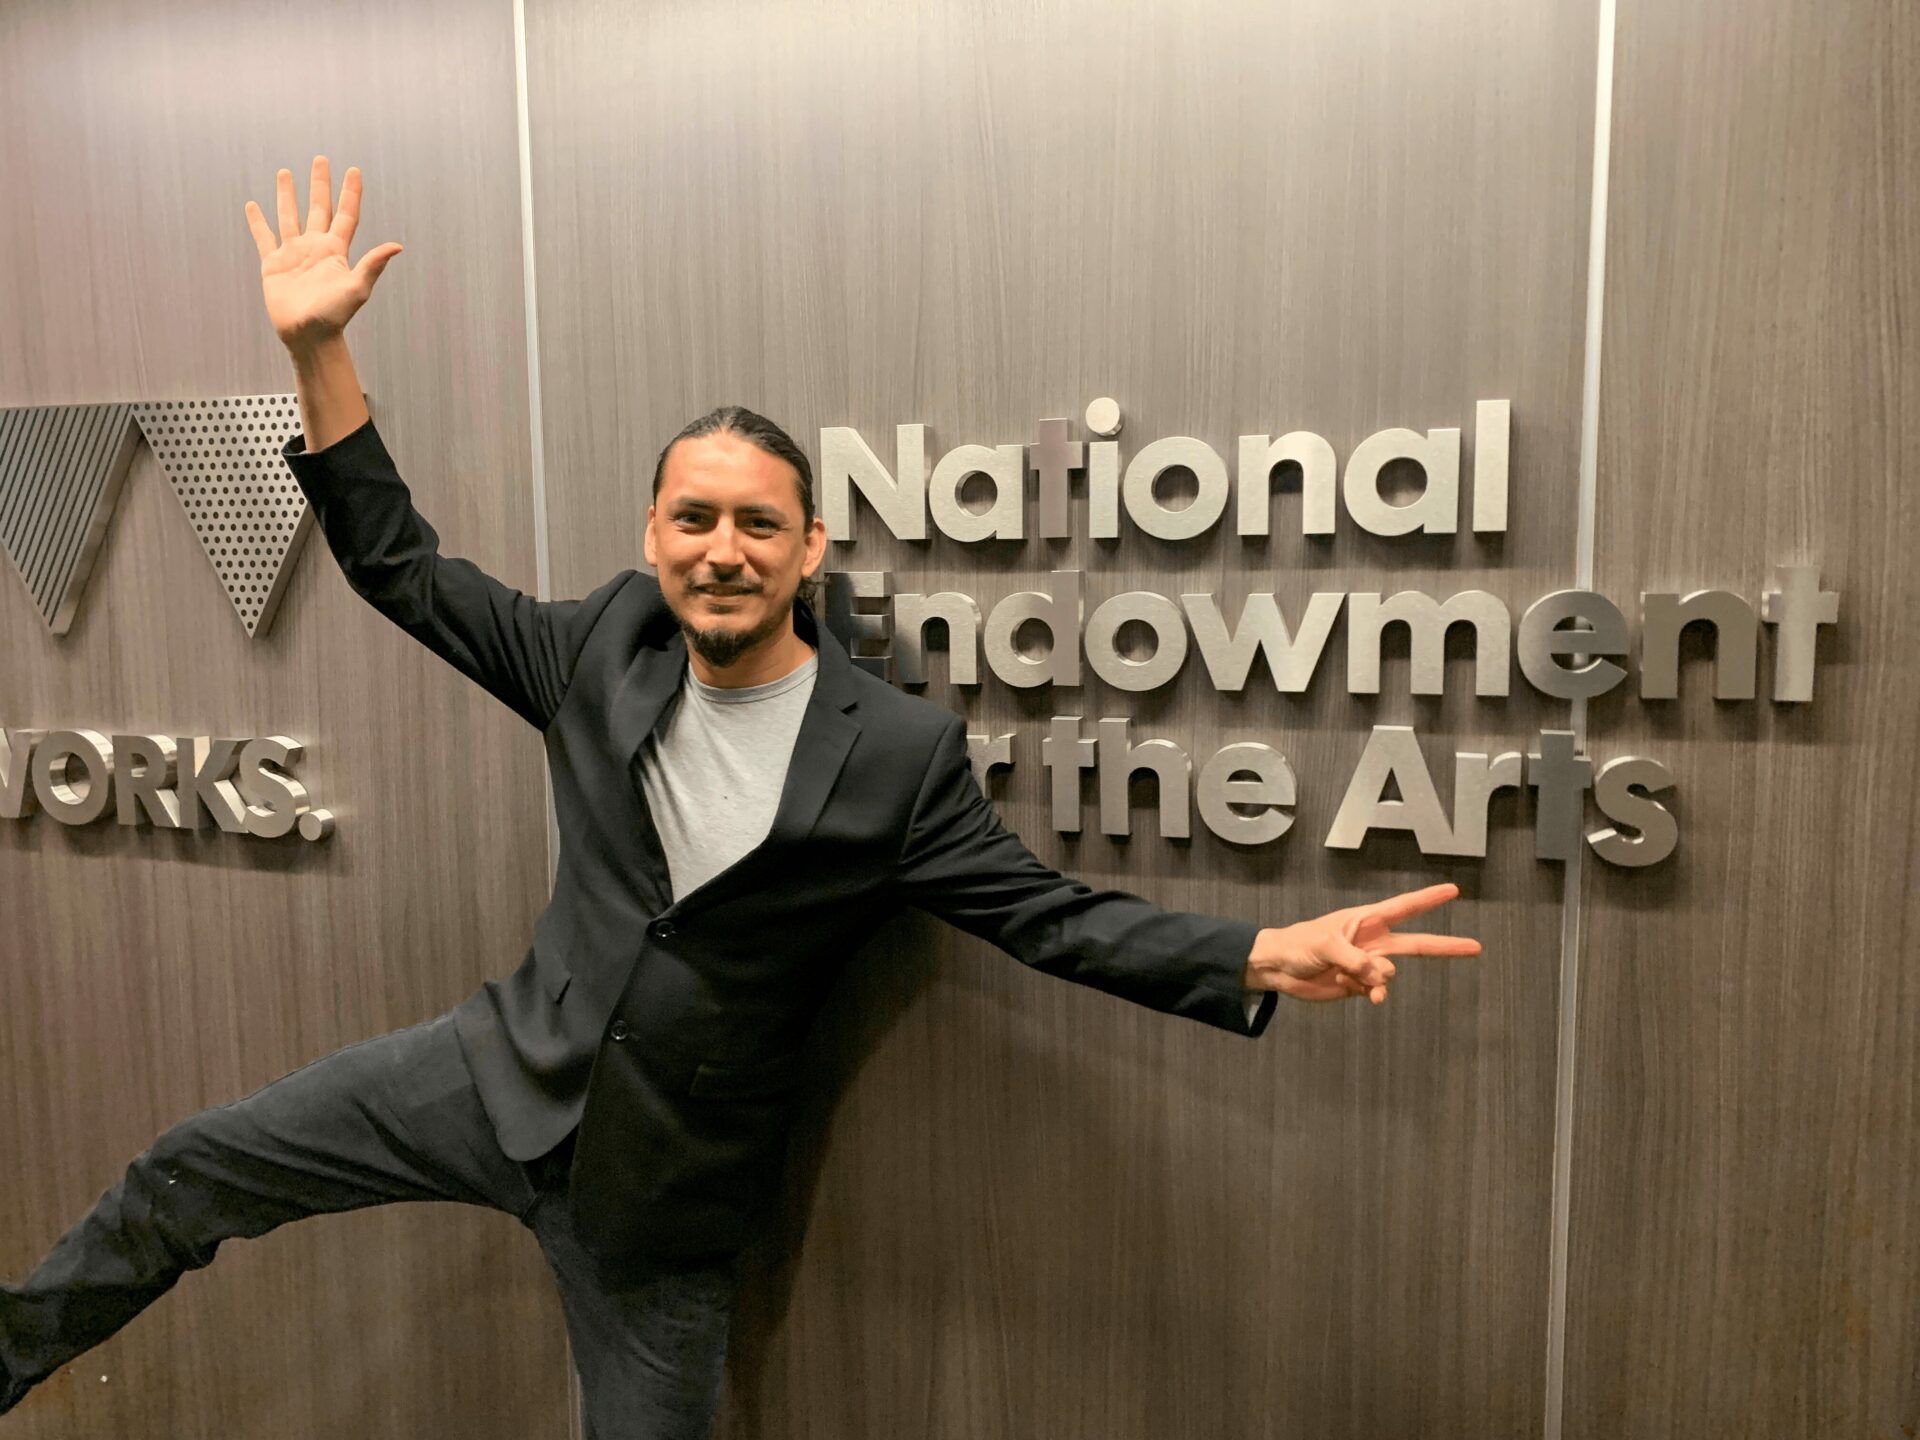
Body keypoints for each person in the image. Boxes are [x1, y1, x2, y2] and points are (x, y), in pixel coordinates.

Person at [0, 157, 1482, 1438]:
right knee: (186, 1172)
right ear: (653, 534)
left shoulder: (895, 749)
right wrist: (320, 352)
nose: (724, 549)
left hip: (667, 1188)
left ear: (809, 548)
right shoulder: (600, 644)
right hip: (496, 1075)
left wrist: (1254, 952)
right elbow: (402, 568)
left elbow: (1049, 917)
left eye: (758, 525)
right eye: (695, 518)